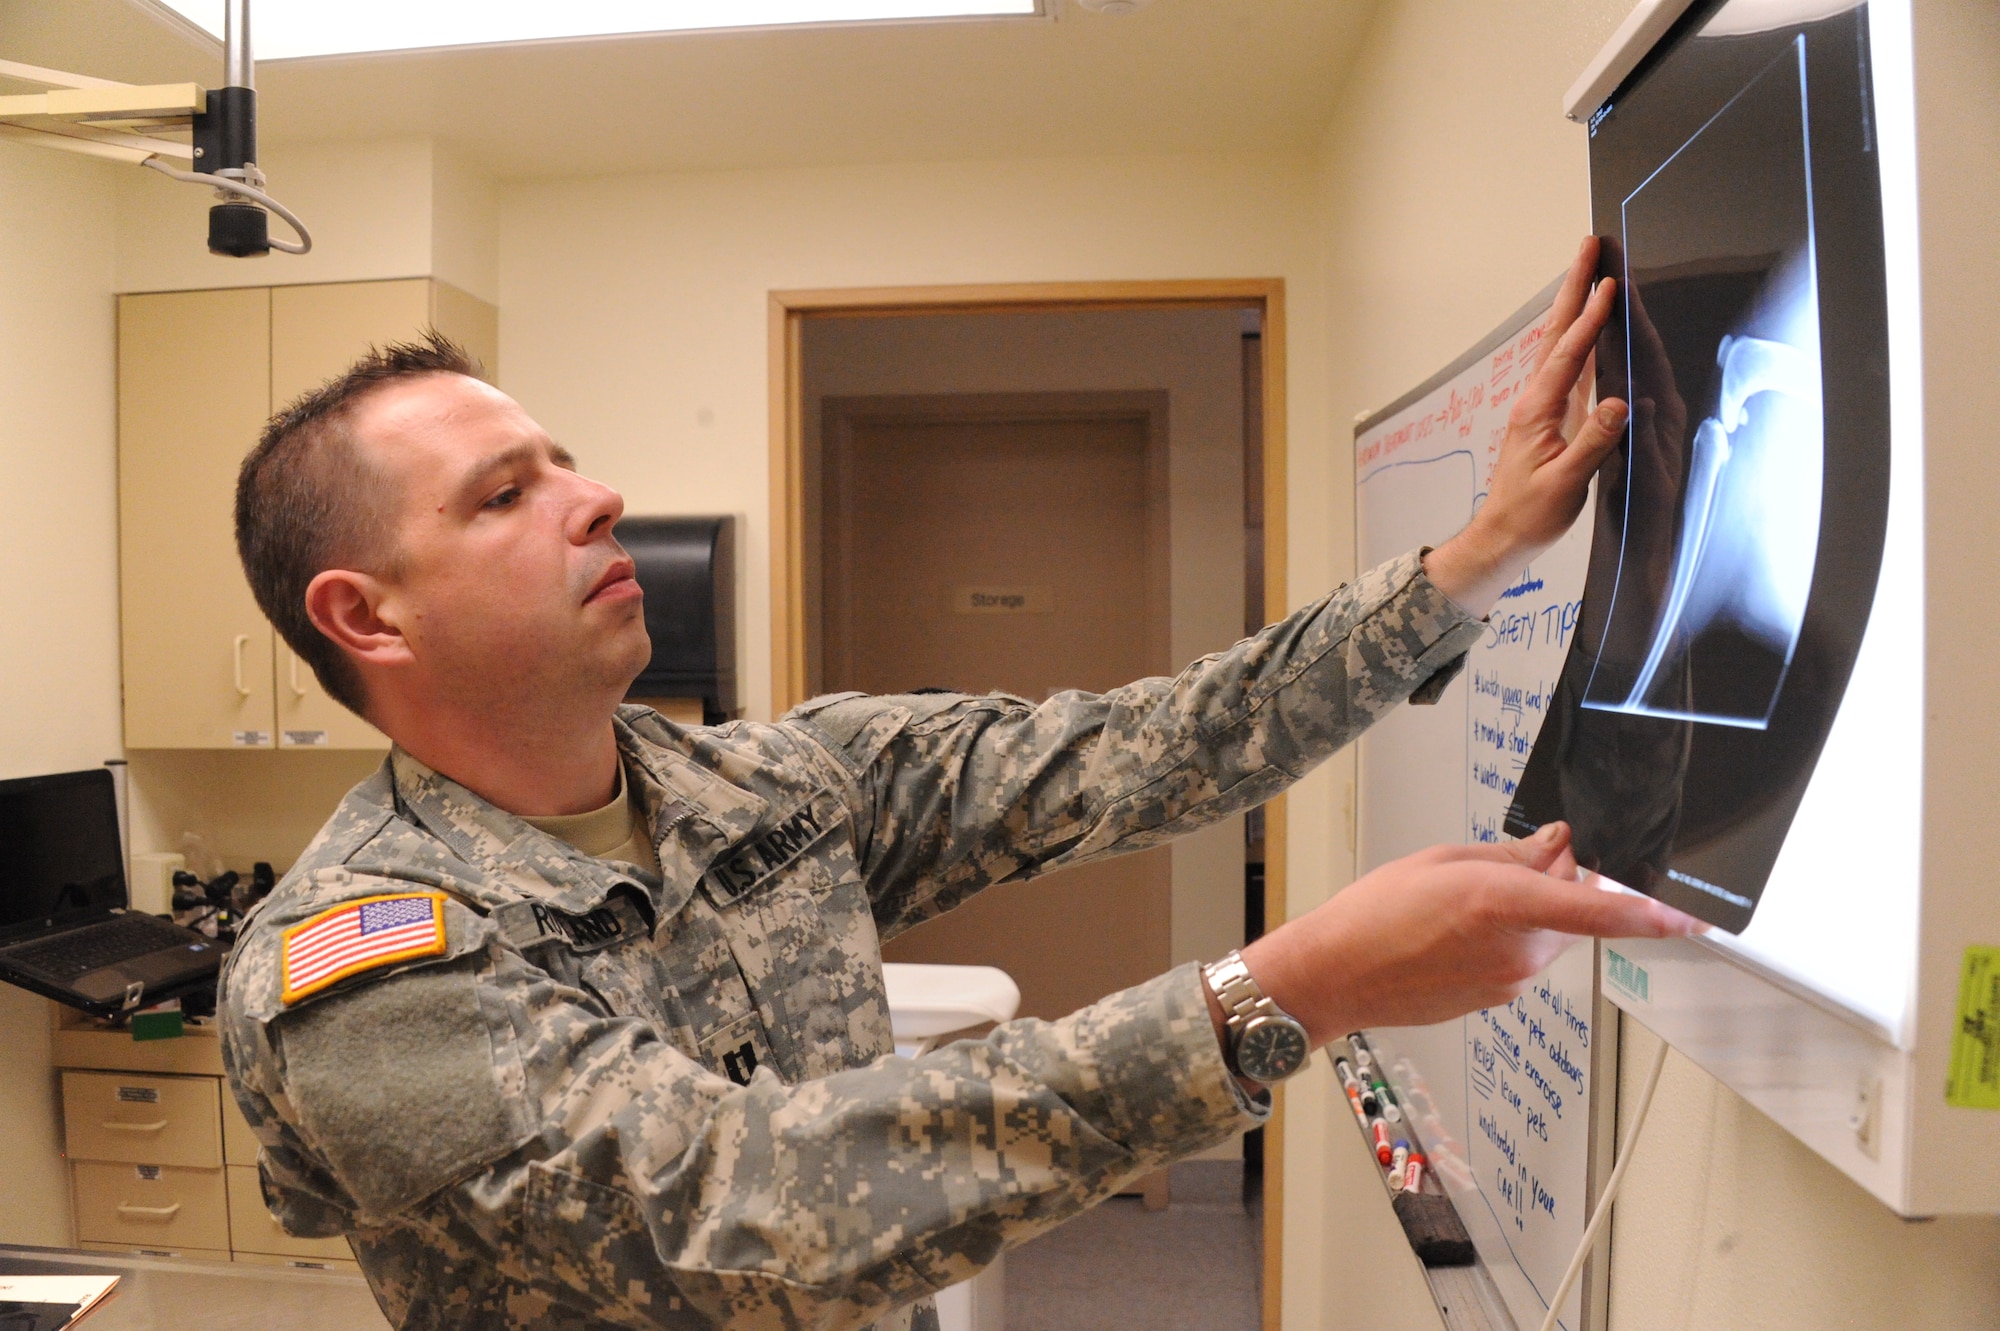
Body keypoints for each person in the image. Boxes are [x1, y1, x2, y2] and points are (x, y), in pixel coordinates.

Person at [219, 238, 1695, 1331]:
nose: (592, 496)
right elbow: (749, 1206)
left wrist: (1472, 561)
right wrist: (1283, 990)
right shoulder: (357, 971)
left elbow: (1151, 745)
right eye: (505, 494)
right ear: (367, 617)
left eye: (564, 461)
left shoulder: (776, 785)